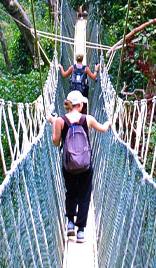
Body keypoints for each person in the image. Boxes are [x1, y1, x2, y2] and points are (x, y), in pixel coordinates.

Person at [48, 90, 111, 243]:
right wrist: (110, 122)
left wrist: (53, 124)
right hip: (85, 164)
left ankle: (70, 223)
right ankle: (81, 231)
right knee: (84, 195)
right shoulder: (87, 119)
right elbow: (103, 128)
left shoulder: (60, 121)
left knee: (71, 193)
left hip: (68, 165)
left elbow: (56, 142)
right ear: (81, 105)